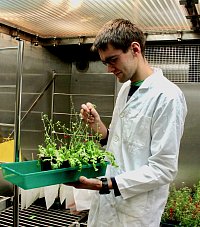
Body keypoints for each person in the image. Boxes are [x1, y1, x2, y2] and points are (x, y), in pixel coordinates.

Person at [70, 19, 187, 227]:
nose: (109, 69)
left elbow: (164, 169)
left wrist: (106, 184)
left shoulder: (167, 96)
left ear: (135, 49)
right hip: (106, 208)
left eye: (113, 60)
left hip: (135, 213)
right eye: (106, 62)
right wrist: (99, 127)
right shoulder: (125, 89)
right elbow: (119, 146)